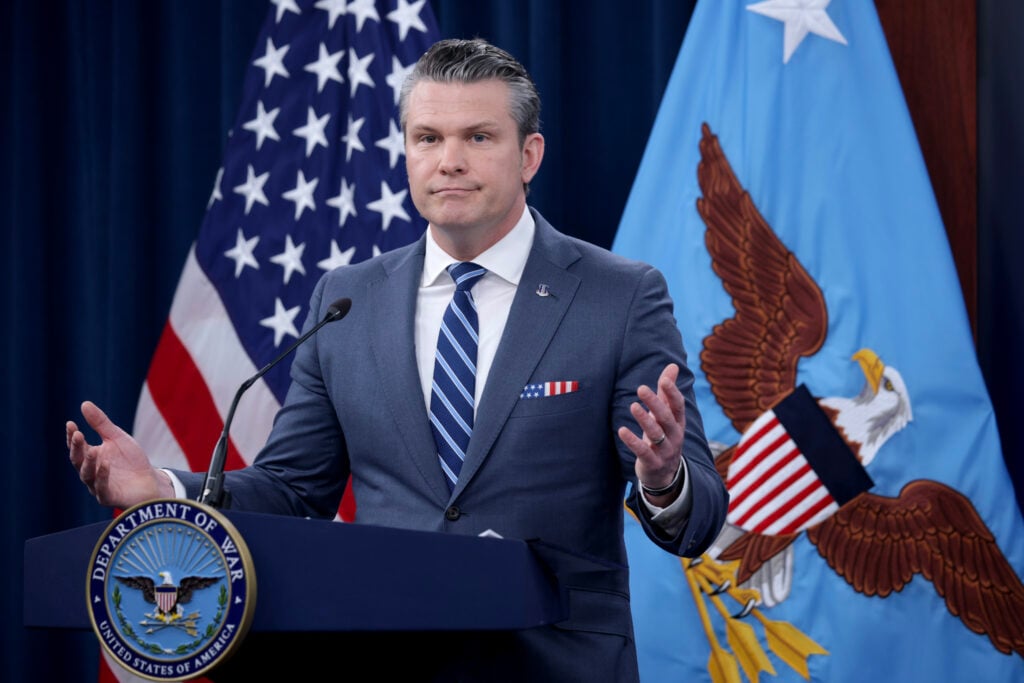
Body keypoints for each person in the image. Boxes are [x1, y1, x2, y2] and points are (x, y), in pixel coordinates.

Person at [67, 38, 728, 682]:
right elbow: (294, 489)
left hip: (557, 660)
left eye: (478, 137)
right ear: (406, 152)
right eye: (428, 138)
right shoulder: (346, 300)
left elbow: (697, 523)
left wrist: (665, 479)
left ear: (529, 154)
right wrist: (166, 489)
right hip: (391, 658)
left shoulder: (619, 294)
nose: (449, 161)